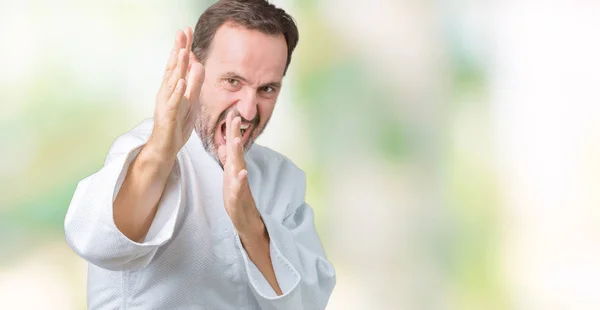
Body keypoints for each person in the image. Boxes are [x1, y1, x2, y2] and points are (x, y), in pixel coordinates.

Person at [63, 0, 336, 309]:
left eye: (267, 90)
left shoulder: (282, 179)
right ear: (195, 72)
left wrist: (250, 224)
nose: (248, 110)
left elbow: (310, 300)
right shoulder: (143, 151)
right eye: (233, 81)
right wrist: (160, 153)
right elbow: (96, 240)